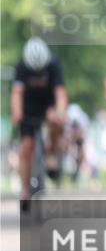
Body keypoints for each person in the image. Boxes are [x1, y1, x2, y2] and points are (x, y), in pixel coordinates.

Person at [11, 37, 68, 211]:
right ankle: (25, 190)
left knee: (56, 123)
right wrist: (17, 113)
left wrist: (59, 113)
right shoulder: (21, 66)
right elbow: (17, 93)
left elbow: (60, 92)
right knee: (26, 147)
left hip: (48, 107)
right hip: (28, 110)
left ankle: (51, 154)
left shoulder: (53, 64)